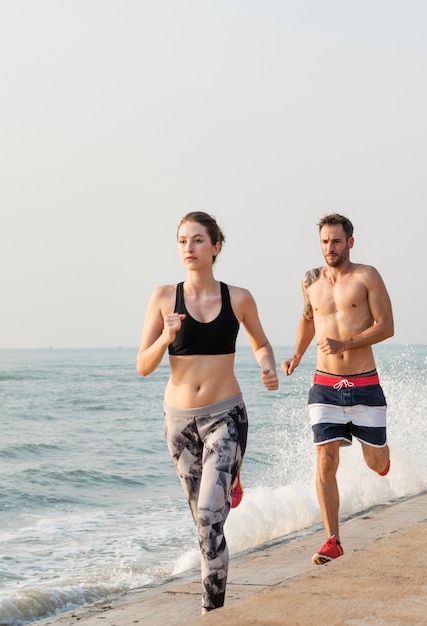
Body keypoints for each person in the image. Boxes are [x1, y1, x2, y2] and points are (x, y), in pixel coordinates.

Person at [137, 211, 278, 613]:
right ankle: (231, 480)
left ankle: (211, 612)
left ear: (216, 247)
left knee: (209, 516)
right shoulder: (164, 297)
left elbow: (261, 344)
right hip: (179, 424)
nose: (189, 248)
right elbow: (143, 366)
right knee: (203, 523)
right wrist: (166, 336)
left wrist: (267, 367)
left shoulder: (238, 298)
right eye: (183, 241)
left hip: (225, 416)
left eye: (198, 240)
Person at [281, 213, 394, 565]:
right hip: (325, 386)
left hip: (363, 385)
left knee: (375, 461)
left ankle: (382, 459)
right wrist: (297, 355)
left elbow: (387, 326)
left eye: (336, 241)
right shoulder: (310, 280)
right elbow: (308, 317)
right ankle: (333, 540)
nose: (330, 247)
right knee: (326, 460)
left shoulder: (367, 276)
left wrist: (344, 343)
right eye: (325, 241)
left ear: (350, 242)